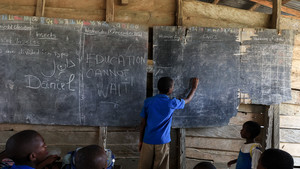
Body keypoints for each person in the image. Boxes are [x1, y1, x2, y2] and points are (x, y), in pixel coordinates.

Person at [138, 77, 199, 169]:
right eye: (173, 86)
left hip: (147, 139)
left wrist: (140, 141)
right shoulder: (172, 103)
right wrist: (194, 87)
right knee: (161, 166)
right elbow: (188, 99)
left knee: (144, 166)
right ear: (170, 90)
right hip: (162, 141)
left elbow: (142, 123)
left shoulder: (148, 101)